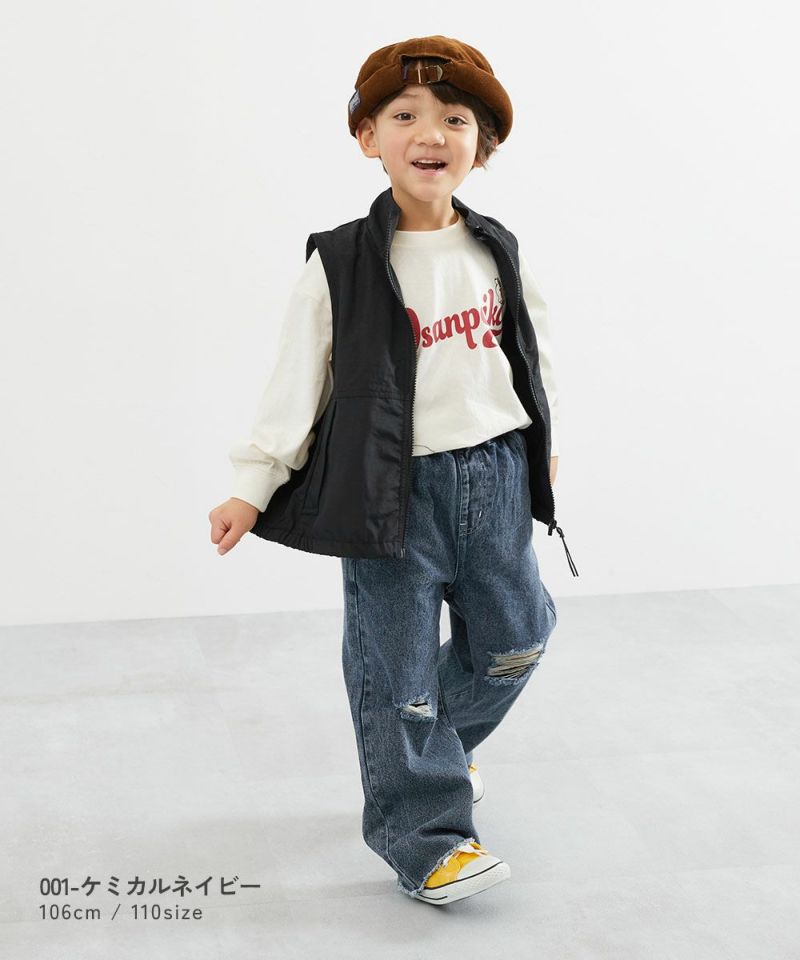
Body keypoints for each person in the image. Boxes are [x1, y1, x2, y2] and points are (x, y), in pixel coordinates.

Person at [209, 35, 578, 906]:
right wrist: (252, 485)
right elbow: (298, 380)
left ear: (484, 144)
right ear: (367, 137)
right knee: (397, 675)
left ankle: (434, 752)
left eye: (456, 120)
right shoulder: (340, 262)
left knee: (517, 637)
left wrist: (545, 446)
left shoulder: (496, 249)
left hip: (495, 475)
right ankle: (425, 838)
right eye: (404, 116)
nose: (431, 134)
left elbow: (534, 356)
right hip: (390, 493)